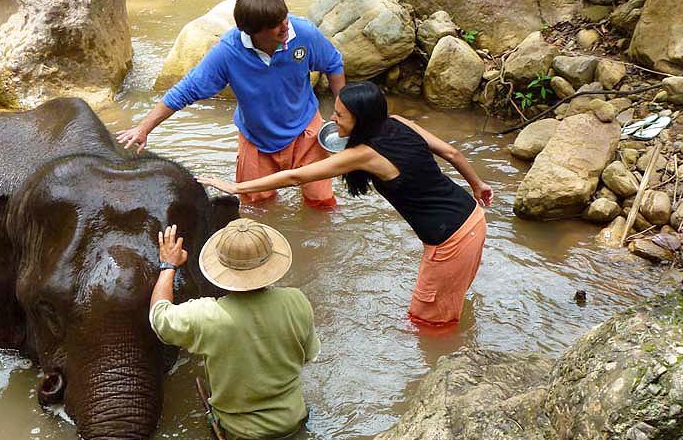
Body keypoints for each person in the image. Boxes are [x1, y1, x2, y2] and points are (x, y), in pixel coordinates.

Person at [199, 82, 493, 327]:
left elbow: (295, 177)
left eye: (340, 115)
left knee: (424, 322)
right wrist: (478, 185)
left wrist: (236, 186)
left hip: (450, 241)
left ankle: (440, 372)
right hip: (472, 217)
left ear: (361, 119)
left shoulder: (364, 154)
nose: (332, 117)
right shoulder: (398, 123)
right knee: (448, 302)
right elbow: (452, 153)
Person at [118, 0, 346, 209]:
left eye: (284, 18)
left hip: (306, 131)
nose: (285, 26)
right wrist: (144, 128)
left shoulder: (303, 33)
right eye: (275, 24)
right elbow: (185, 90)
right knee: (257, 209)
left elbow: (333, 63)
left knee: (322, 204)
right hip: (257, 140)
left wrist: (343, 113)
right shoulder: (228, 52)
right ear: (253, 31)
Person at [148, 220, 320, 440]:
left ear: (221, 267)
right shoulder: (297, 300)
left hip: (240, 436)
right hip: (294, 422)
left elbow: (159, 317)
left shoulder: (207, 315)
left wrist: (168, 266)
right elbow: (308, 356)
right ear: (271, 262)